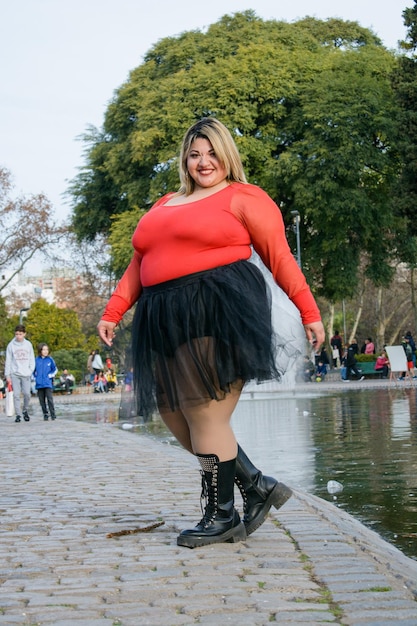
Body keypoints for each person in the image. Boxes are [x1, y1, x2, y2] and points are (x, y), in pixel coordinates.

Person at [97, 117, 325, 549]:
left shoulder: (245, 197)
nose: (204, 162)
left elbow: (280, 257)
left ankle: (222, 516)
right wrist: (114, 309)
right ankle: (255, 486)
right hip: (162, 314)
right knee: (172, 412)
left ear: (227, 155)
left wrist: (308, 311)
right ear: (185, 158)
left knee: (205, 414)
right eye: (195, 153)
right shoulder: (165, 202)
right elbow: (140, 263)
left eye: (212, 152)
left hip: (216, 307)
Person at [4, 324, 36, 423]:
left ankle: (25, 410)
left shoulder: (28, 345)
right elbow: (8, 360)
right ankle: (18, 414)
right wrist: (7, 375)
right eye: (17, 334)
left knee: (27, 394)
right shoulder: (11, 345)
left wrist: (30, 370)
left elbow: (32, 359)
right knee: (16, 395)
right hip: (15, 373)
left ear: (24, 334)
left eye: (20, 334)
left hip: (26, 373)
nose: (18, 336)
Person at [34, 343, 57, 420]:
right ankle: (45, 414)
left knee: (50, 399)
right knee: (42, 400)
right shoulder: (36, 360)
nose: (45, 351)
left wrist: (50, 376)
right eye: (44, 349)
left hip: (47, 383)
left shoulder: (50, 360)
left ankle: (53, 414)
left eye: (47, 349)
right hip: (39, 383)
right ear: (40, 350)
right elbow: (33, 370)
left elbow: (54, 369)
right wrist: (35, 378)